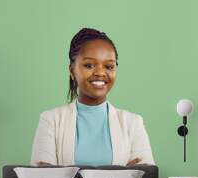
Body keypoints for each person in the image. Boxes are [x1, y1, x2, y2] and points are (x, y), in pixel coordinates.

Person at [30, 28, 155, 167]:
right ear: (72, 71)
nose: (100, 73)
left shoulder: (133, 123)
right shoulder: (50, 120)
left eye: (109, 66)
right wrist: (123, 173)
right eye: (89, 65)